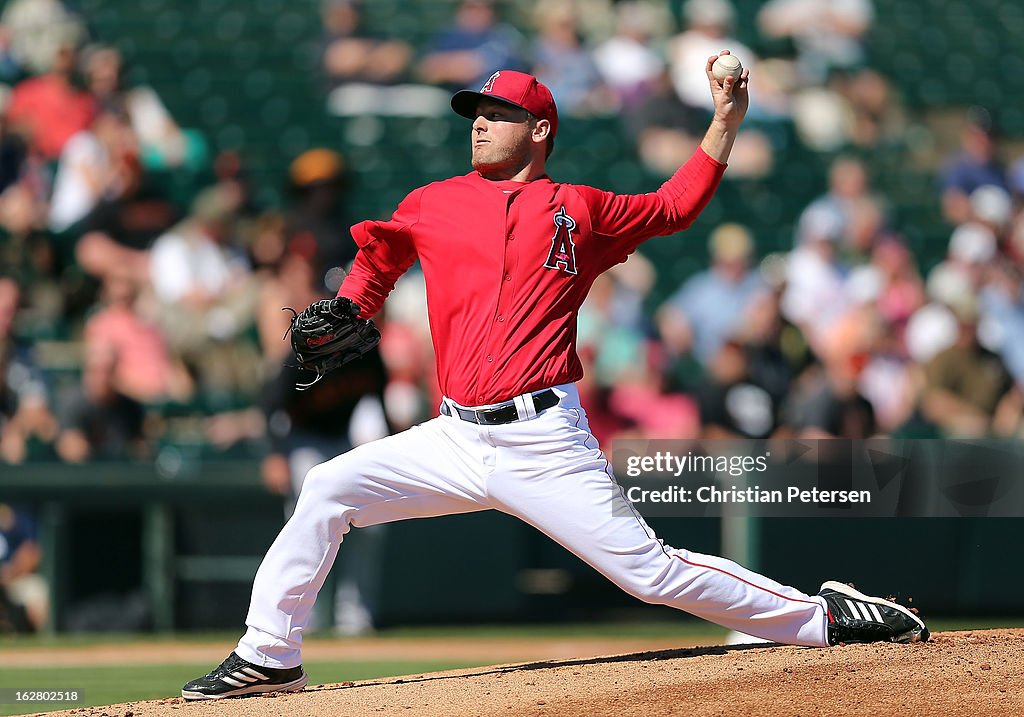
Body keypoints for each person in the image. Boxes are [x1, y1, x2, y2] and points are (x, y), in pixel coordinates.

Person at [182, 58, 928, 700]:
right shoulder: (434, 202)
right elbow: (380, 257)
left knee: (650, 573)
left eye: (497, 114)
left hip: (544, 437)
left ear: (539, 130)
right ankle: (270, 655)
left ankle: (821, 616)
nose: (478, 123)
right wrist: (349, 307)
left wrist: (725, 120)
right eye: (475, 112)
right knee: (327, 490)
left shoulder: (579, 209)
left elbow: (671, 207)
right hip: (452, 434)